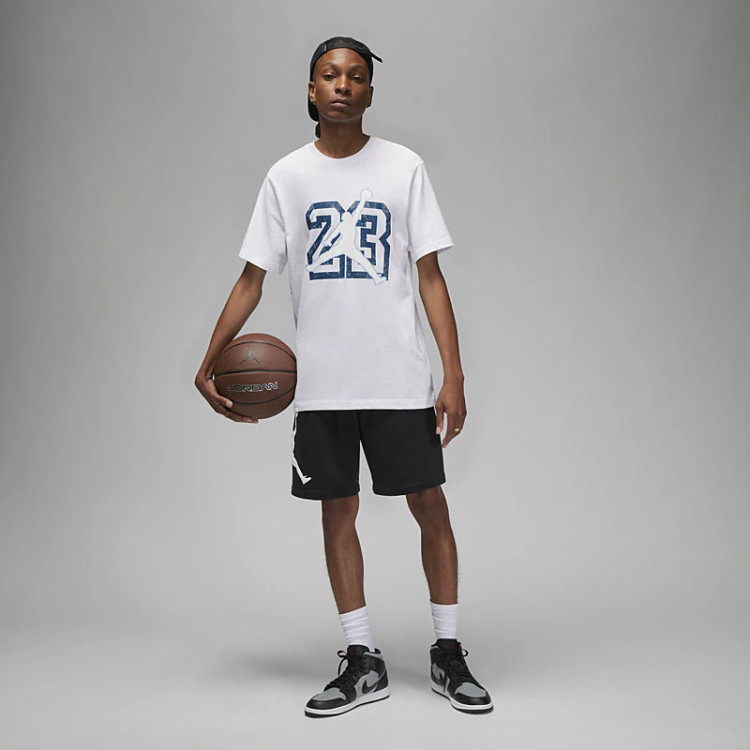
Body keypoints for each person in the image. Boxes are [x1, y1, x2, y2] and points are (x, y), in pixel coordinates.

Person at [195, 35, 492, 717]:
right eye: (330, 75)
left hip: (397, 375)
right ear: (311, 89)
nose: (343, 85)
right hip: (323, 384)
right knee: (337, 511)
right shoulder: (286, 177)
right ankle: (362, 659)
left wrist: (454, 376)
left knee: (429, 505)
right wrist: (208, 359)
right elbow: (251, 279)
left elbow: (430, 277)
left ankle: (448, 651)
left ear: (369, 93)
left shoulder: (404, 167)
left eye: (356, 76)